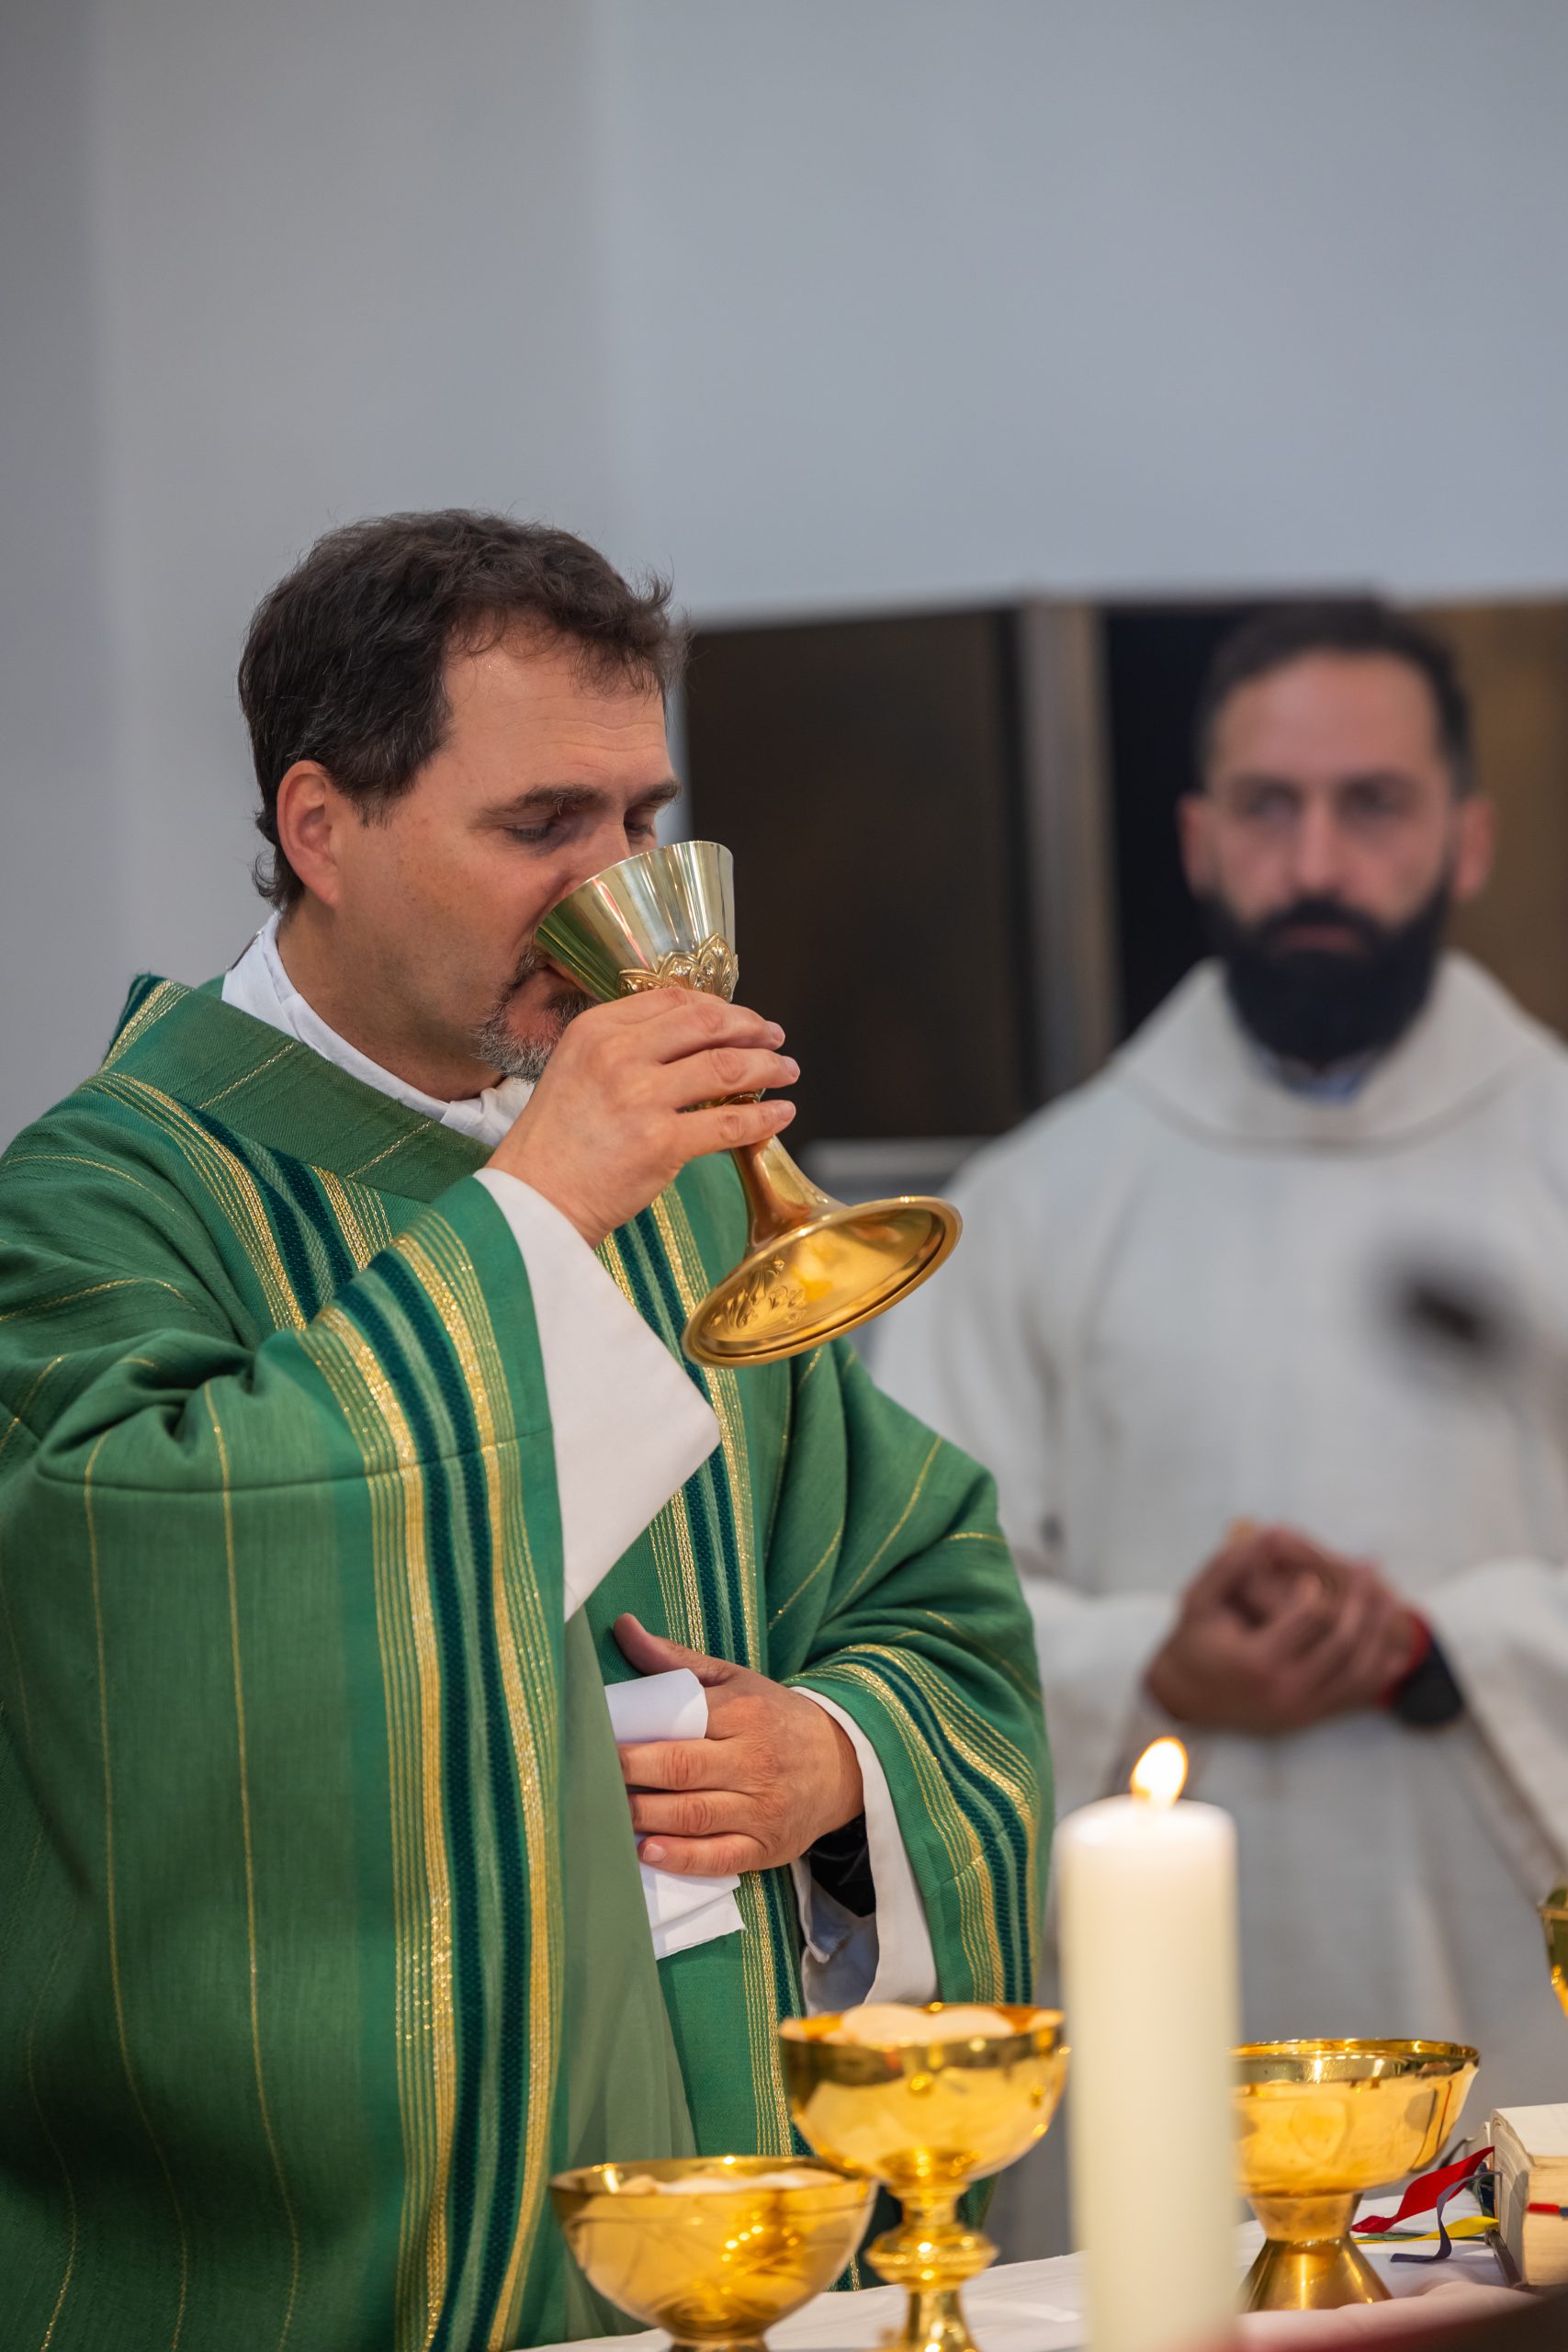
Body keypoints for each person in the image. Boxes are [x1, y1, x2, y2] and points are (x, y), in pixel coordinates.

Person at [0, 511, 1048, 2352]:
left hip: (733, 2190)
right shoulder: (104, 1199)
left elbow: (914, 1582)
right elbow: (150, 1614)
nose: (609, 887)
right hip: (346, 2263)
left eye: (640, 819)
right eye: (540, 824)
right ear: (320, 826)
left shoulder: (692, 1190)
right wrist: (539, 1210)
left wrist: (828, 1761)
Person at [879, 599, 1568, 2238]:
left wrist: (1450, 1651)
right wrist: (1154, 1666)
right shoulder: (1037, 1206)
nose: (1316, 859)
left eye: (1373, 803)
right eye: (1269, 806)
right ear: (1198, 839)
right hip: (1168, 2025)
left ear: (1467, 837)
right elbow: (915, 1617)